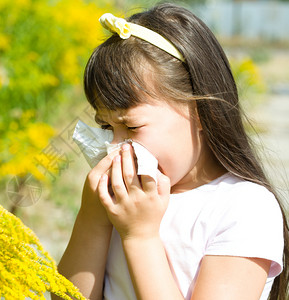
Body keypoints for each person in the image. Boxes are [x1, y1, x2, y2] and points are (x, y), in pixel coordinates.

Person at [53, 3, 288, 300]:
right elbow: (66, 296)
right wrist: (92, 217)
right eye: (107, 128)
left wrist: (140, 236)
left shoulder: (244, 207)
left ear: (202, 112)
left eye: (132, 127)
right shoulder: (120, 200)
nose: (115, 147)